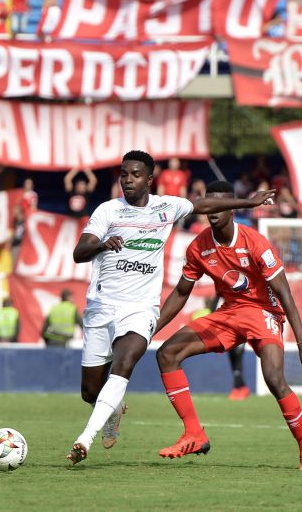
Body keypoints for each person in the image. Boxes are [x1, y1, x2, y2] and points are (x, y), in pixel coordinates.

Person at [64, 150, 277, 465]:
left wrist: (249, 202)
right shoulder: (108, 211)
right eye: (124, 174)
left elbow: (204, 205)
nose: (128, 180)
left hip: (140, 308)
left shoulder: (167, 206)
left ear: (149, 179)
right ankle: (113, 410)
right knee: (89, 391)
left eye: (135, 174)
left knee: (125, 363)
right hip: (101, 307)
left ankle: (85, 439)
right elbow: (79, 251)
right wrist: (100, 244)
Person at [155, 180, 302, 469]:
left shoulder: (255, 242)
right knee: (167, 353)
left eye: (221, 204)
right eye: (210, 204)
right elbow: (182, 293)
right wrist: (149, 329)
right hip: (229, 314)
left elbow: (286, 295)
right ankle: (194, 433)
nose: (213, 210)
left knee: (273, 379)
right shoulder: (199, 247)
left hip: (263, 312)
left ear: (232, 208)